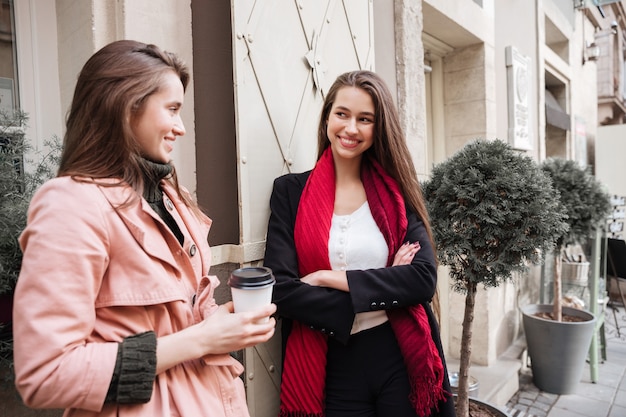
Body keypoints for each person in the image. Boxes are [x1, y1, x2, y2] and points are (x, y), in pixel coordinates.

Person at [12, 40, 276, 417]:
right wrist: (200, 339)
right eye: (172, 109)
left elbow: (178, 315)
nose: (181, 128)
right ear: (126, 106)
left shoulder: (171, 195)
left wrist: (222, 325)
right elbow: (46, 374)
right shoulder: (71, 204)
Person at [263, 70, 456, 417]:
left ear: (377, 128)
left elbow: (422, 279)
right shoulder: (290, 192)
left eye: (364, 119)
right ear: (327, 119)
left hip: (396, 354)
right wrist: (380, 284)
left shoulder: (396, 193)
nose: (351, 128)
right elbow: (280, 288)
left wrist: (327, 278)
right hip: (333, 357)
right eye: (342, 114)